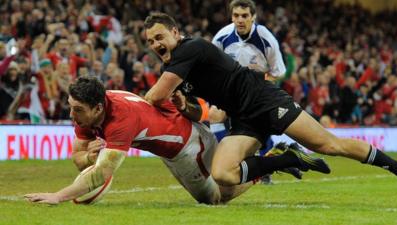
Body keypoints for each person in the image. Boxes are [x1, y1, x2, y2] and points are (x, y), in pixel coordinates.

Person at [142, 13, 397, 188]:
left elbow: (153, 97)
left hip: (263, 99)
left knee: (329, 145)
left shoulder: (189, 49)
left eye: (159, 37)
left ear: (175, 32)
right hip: (242, 116)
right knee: (222, 175)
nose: (155, 44)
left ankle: (395, 166)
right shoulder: (179, 70)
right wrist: (183, 106)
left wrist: (138, 107)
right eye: (150, 41)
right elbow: (202, 115)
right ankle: (287, 159)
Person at [24, 76, 325, 205]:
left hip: (188, 145)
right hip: (172, 149)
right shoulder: (88, 111)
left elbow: (103, 173)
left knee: (219, 197)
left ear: (98, 108)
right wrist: (91, 157)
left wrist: (58, 195)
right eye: (70, 107)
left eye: (77, 110)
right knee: (222, 188)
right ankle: (278, 158)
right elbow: (79, 157)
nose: (71, 114)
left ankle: (279, 158)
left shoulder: (120, 120)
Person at [211, 0, 289, 184]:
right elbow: (212, 67)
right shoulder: (221, 38)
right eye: (236, 16)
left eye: (245, 16)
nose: (240, 20)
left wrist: (257, 84)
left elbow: (278, 72)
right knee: (215, 116)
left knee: (257, 129)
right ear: (231, 17)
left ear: (253, 17)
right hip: (229, 90)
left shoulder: (266, 39)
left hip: (259, 90)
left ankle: (266, 164)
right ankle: (231, 161)